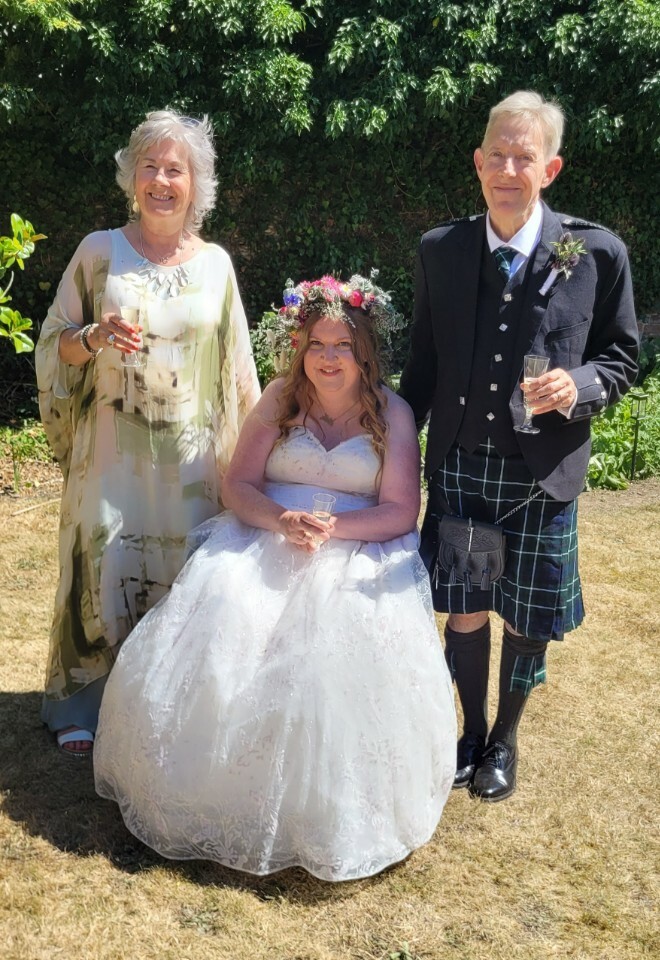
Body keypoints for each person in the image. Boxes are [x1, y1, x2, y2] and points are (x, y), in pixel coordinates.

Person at [93, 273, 457, 882]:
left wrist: (329, 528)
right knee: (228, 622)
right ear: (300, 347)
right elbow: (238, 485)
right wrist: (280, 519)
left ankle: (323, 808)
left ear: (364, 351)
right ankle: (205, 789)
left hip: (354, 545)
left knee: (328, 657)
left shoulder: (392, 413)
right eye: (317, 344)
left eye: (343, 345)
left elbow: (398, 511)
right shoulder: (279, 398)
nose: (329, 358)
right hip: (265, 532)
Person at [399, 91, 639, 802]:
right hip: (463, 468)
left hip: (544, 472)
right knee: (465, 609)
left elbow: (623, 358)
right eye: (496, 154)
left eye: (524, 156)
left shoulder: (596, 252)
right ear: (478, 162)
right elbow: (422, 367)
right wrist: (374, 446)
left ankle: (506, 739)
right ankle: (469, 732)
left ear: (550, 167)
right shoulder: (440, 250)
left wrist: (581, 385)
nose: (508, 168)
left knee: (528, 617)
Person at [35, 109, 260, 758]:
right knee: (102, 565)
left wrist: (256, 457)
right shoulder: (98, 251)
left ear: (196, 184)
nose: (162, 180)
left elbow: (241, 369)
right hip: (110, 456)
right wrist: (92, 337)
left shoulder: (217, 265)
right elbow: (55, 344)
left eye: (176, 169)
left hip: (191, 463)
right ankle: (83, 702)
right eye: (150, 167)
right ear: (131, 176)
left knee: (181, 578)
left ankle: (171, 706)